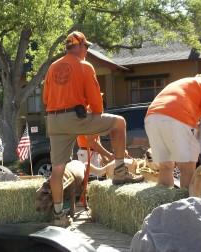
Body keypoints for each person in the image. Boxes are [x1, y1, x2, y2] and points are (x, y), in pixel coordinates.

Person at [43, 31, 143, 226]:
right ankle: (120, 172)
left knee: (57, 170)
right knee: (119, 122)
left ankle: (58, 216)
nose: (87, 50)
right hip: (75, 117)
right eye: (86, 47)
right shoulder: (84, 66)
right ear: (79, 46)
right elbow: (96, 102)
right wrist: (95, 117)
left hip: (54, 120)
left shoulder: (52, 67)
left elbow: (45, 99)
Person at [144, 74, 201, 189]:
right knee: (187, 167)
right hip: (175, 118)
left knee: (166, 166)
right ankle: (188, 203)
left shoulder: (180, 83)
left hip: (151, 117)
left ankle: (164, 203)